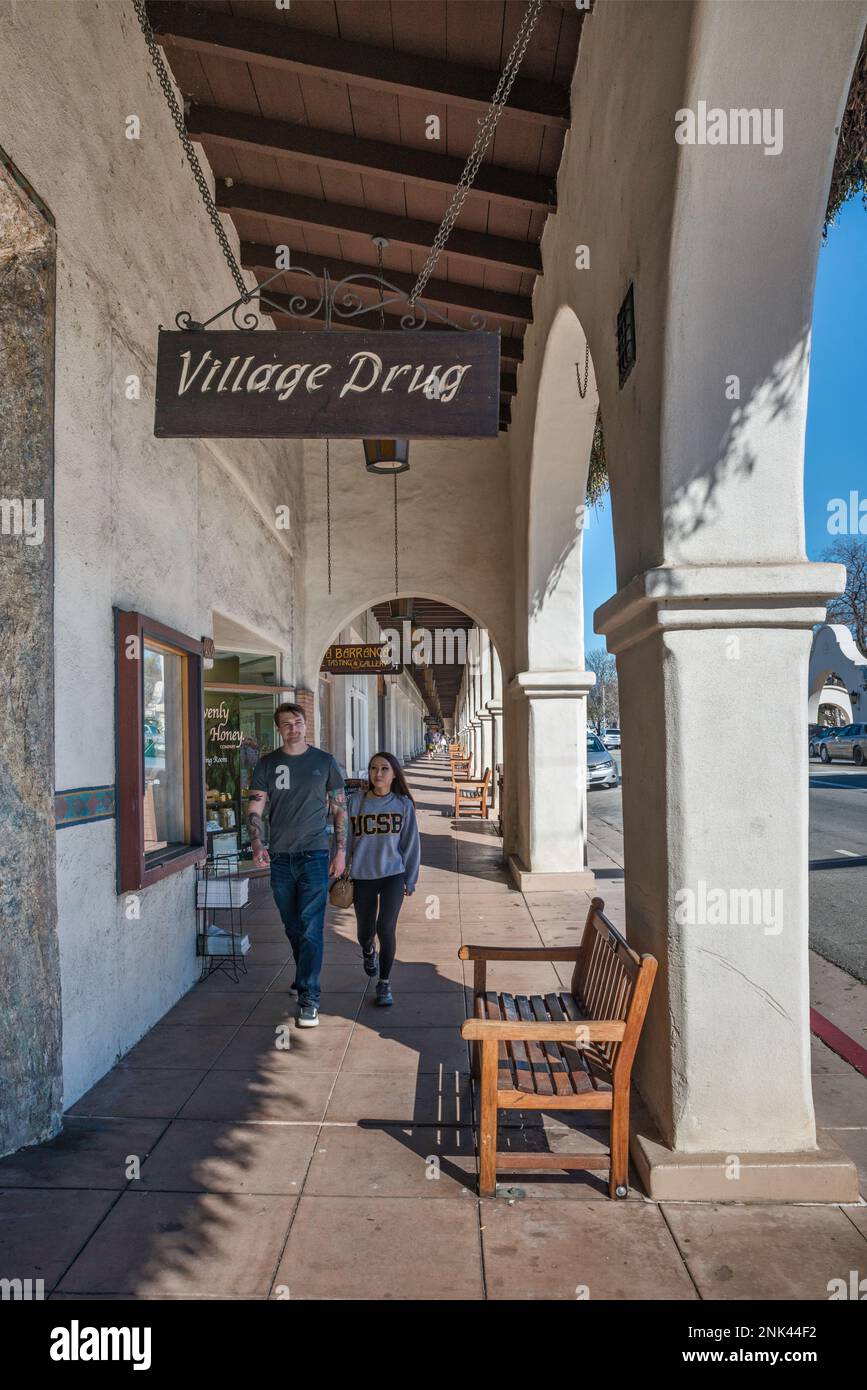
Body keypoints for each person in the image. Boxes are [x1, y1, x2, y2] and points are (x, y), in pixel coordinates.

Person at [247, 702, 346, 1028]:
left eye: (299, 722)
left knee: (311, 925)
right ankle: (304, 972)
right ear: (279, 729)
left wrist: (340, 851)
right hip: (281, 857)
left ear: (306, 725)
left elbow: (339, 809)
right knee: (292, 924)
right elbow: (256, 807)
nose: (294, 728)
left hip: (315, 854)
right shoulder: (267, 763)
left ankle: (309, 999)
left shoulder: (325, 762)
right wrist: (257, 842)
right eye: (287, 724)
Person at [346, 751, 420, 1006]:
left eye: (384, 769)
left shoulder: (402, 805)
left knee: (385, 928)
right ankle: (368, 951)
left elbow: (411, 845)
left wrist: (410, 879)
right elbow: (345, 841)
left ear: (394, 774)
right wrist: (338, 868)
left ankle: (384, 983)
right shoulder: (356, 803)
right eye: (373, 768)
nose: (378, 774)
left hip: (393, 875)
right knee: (365, 931)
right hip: (363, 875)